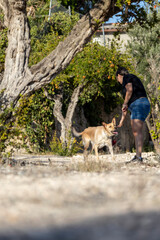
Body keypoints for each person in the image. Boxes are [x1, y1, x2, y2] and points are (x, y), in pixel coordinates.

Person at [116, 66, 150, 162]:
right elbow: (125, 108)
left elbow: (129, 90)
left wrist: (125, 102)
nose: (118, 81)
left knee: (137, 131)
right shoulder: (131, 80)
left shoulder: (127, 77)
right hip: (142, 105)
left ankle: (139, 157)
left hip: (139, 104)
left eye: (117, 78)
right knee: (136, 131)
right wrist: (121, 122)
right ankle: (137, 156)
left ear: (119, 75)